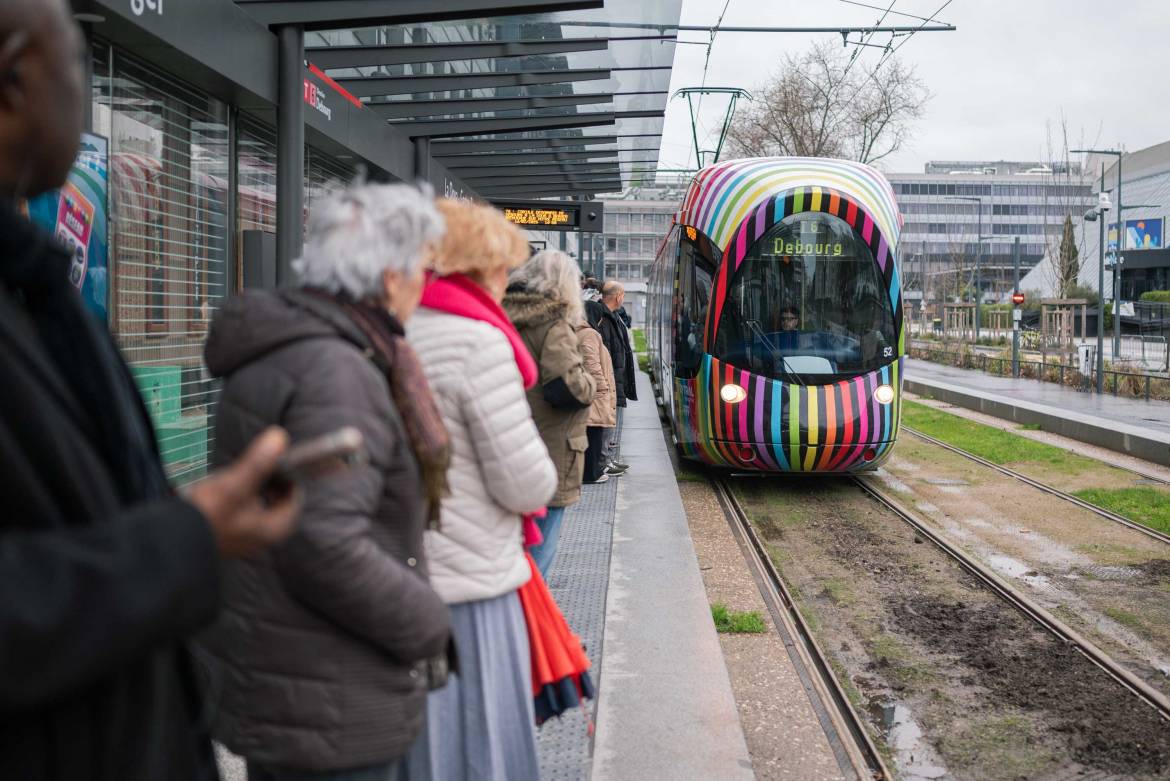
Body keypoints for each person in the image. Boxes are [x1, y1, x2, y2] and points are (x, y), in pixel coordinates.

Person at [0, 1, 299, 778]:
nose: (91, 87)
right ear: (12, 83)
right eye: (77, 59)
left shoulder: (35, 291)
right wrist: (186, 538)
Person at [197, 183, 454, 781]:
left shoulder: (294, 348)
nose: (425, 283)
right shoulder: (338, 371)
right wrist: (428, 620)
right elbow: (323, 541)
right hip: (332, 694)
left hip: (293, 678)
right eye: (422, 267)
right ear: (390, 276)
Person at [406, 199, 558, 780]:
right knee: (478, 740)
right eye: (501, 268)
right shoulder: (477, 341)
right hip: (470, 584)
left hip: (402, 574)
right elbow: (525, 482)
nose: (505, 282)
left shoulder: (394, 324)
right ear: (476, 267)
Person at [503, 249, 596, 576]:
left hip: (513, 443)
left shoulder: (506, 316)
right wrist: (590, 383)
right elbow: (568, 388)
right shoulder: (553, 325)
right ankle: (531, 622)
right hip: (552, 451)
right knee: (539, 554)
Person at [586, 280, 636, 475]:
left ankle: (606, 458)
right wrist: (605, 380)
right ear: (619, 296)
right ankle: (602, 461)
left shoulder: (612, 316)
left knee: (610, 420)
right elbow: (603, 349)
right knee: (605, 420)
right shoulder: (602, 318)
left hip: (615, 373)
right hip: (609, 375)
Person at [578, 309, 617, 486]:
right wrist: (602, 386)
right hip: (595, 390)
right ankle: (592, 473)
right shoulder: (589, 334)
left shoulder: (579, 332)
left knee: (591, 429)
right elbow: (591, 362)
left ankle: (591, 470)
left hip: (587, 387)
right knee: (595, 429)